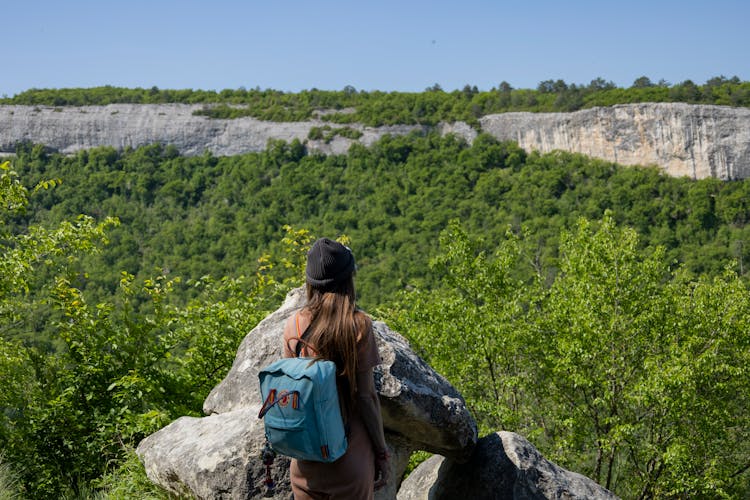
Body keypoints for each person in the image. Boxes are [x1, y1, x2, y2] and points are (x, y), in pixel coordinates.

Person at [282, 237, 389, 499]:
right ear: (347, 280)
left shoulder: (294, 326)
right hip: (349, 458)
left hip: (306, 462)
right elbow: (366, 397)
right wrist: (382, 454)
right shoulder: (358, 326)